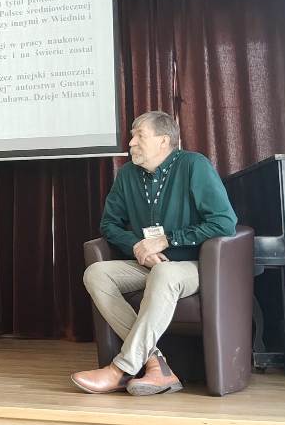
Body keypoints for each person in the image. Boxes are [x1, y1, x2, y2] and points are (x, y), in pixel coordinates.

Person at [71, 111, 236, 395]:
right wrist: (138, 246)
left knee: (164, 273)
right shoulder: (127, 175)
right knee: (96, 274)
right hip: (149, 263)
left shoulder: (193, 165)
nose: (131, 143)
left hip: (193, 265)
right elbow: (109, 225)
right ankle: (155, 364)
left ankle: (121, 369)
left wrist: (167, 240)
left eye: (139, 136)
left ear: (163, 141)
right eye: (132, 136)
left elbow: (224, 222)